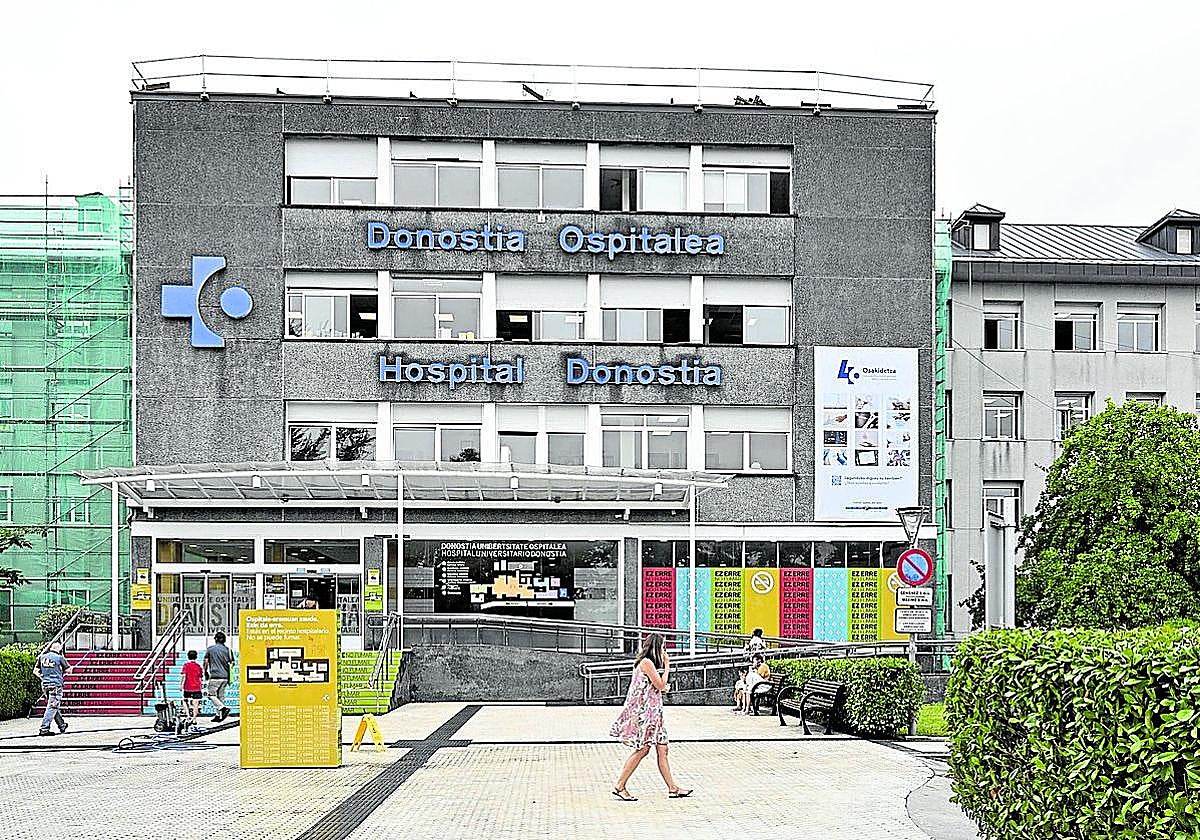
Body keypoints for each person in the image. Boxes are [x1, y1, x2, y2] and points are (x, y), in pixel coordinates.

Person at [609, 633, 692, 801]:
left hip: (655, 714)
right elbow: (660, 685)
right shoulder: (646, 663)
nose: (664, 651)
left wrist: (662, 686)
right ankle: (620, 785)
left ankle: (673, 788)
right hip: (646, 714)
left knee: (663, 749)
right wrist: (667, 665)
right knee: (643, 749)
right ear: (656, 647)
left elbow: (656, 686)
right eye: (662, 647)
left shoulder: (649, 664)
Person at [33, 641, 71, 736]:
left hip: (45, 685)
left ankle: (62, 725)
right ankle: (44, 728)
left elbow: (35, 671)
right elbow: (68, 670)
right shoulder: (59, 658)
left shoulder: (42, 657)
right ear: (59, 649)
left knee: (53, 705)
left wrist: (42, 677)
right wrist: (70, 668)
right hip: (56, 686)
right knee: (52, 706)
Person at [203, 631, 235, 723]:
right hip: (225, 676)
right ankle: (218, 716)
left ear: (216, 639)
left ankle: (222, 708)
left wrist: (205, 672)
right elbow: (232, 663)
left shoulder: (210, 649)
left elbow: (206, 662)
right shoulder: (228, 650)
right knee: (220, 696)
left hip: (215, 676)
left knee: (211, 695)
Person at [181, 650, 204, 730]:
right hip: (196, 687)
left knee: (184, 700)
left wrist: (181, 685)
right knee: (196, 704)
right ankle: (194, 719)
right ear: (196, 657)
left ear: (188, 656)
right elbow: (200, 677)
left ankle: (188, 716)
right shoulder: (198, 666)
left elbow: (184, 676)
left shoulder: (186, 665)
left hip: (187, 686)